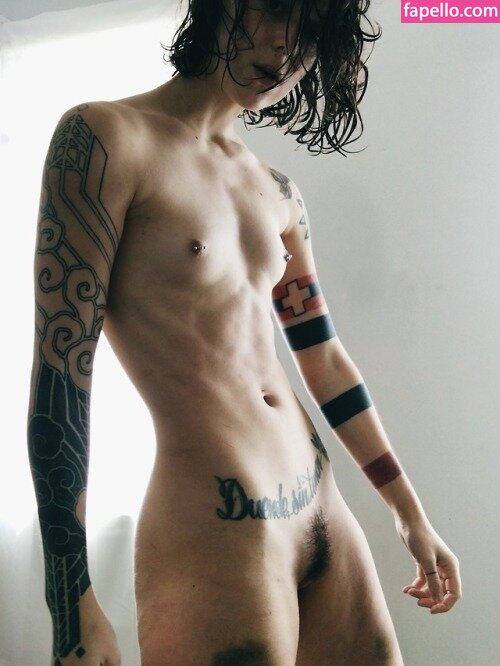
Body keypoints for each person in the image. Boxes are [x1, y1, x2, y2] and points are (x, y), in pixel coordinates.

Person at [27, 0, 462, 664]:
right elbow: (62, 373)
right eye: (279, 11)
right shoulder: (106, 138)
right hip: (219, 522)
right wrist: (69, 599)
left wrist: (408, 512)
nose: (287, 51)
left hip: (323, 510)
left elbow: (325, 360)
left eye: (311, 38)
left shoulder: (278, 191)